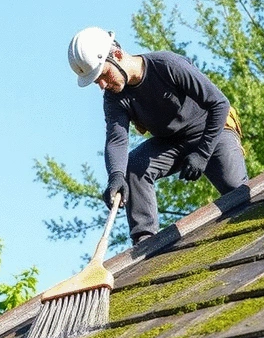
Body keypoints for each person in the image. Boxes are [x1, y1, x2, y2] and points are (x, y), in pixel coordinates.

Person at [68, 26, 249, 245]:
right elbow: (117, 140)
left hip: (211, 130)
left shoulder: (167, 65)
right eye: (97, 82)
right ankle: (145, 241)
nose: (103, 85)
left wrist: (202, 153)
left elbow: (219, 104)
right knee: (133, 166)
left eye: (104, 75)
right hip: (171, 142)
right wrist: (115, 176)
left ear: (117, 55)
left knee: (239, 197)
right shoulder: (114, 98)